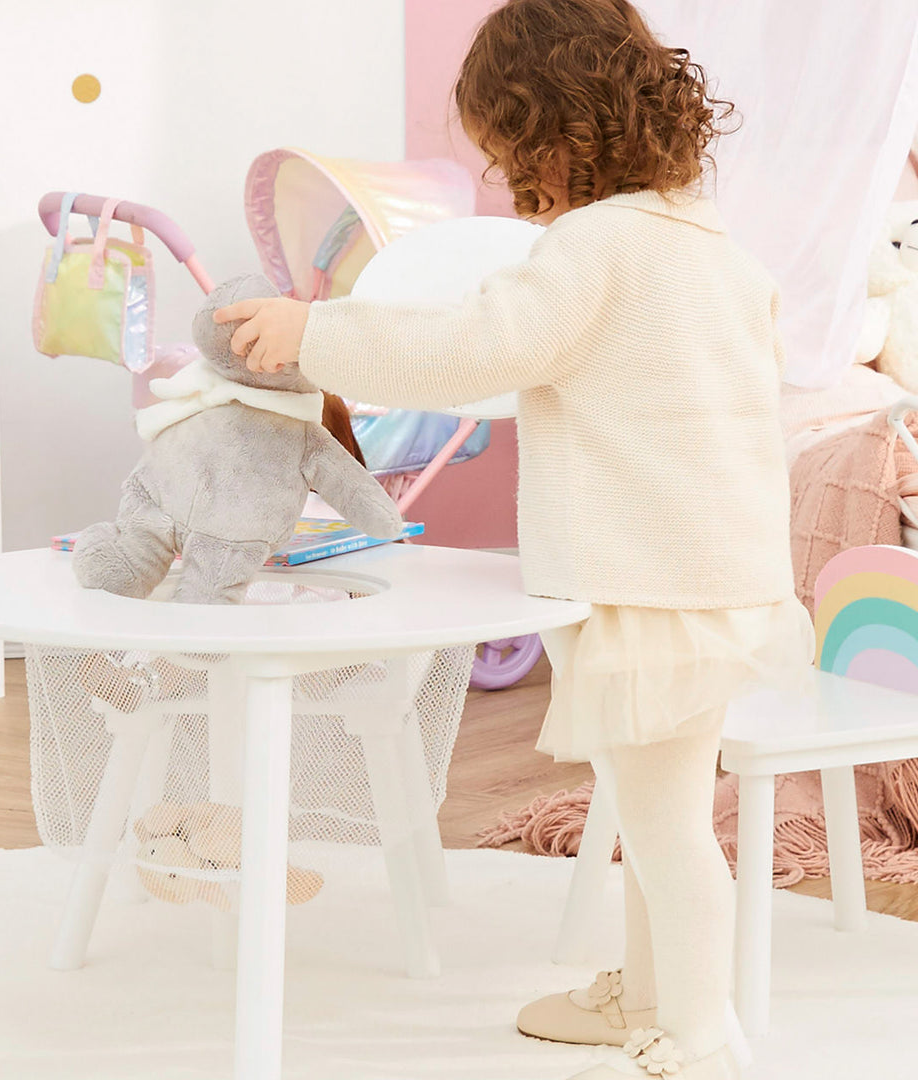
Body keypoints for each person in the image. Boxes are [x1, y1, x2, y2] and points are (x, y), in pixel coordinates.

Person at [216, 2, 813, 1076]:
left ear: (552, 132)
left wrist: (318, 333)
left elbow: (471, 350)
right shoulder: (712, 247)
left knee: (670, 828)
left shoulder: (597, 248)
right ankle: (650, 996)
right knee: (655, 809)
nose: (505, 181)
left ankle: (702, 1035)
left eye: (506, 153)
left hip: (650, 587)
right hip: (718, 576)